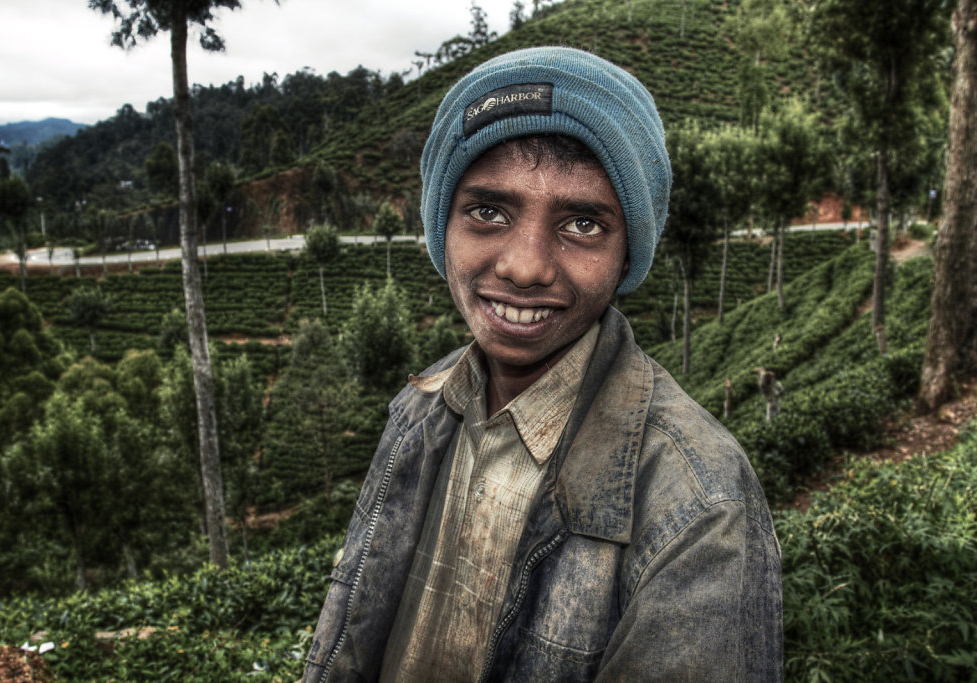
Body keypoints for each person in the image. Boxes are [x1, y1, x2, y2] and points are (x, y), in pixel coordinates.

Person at [304, 47, 783, 682]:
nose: (524, 266)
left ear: (627, 251)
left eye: (583, 223)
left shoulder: (700, 504)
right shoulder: (423, 403)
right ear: (440, 225)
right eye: (488, 212)